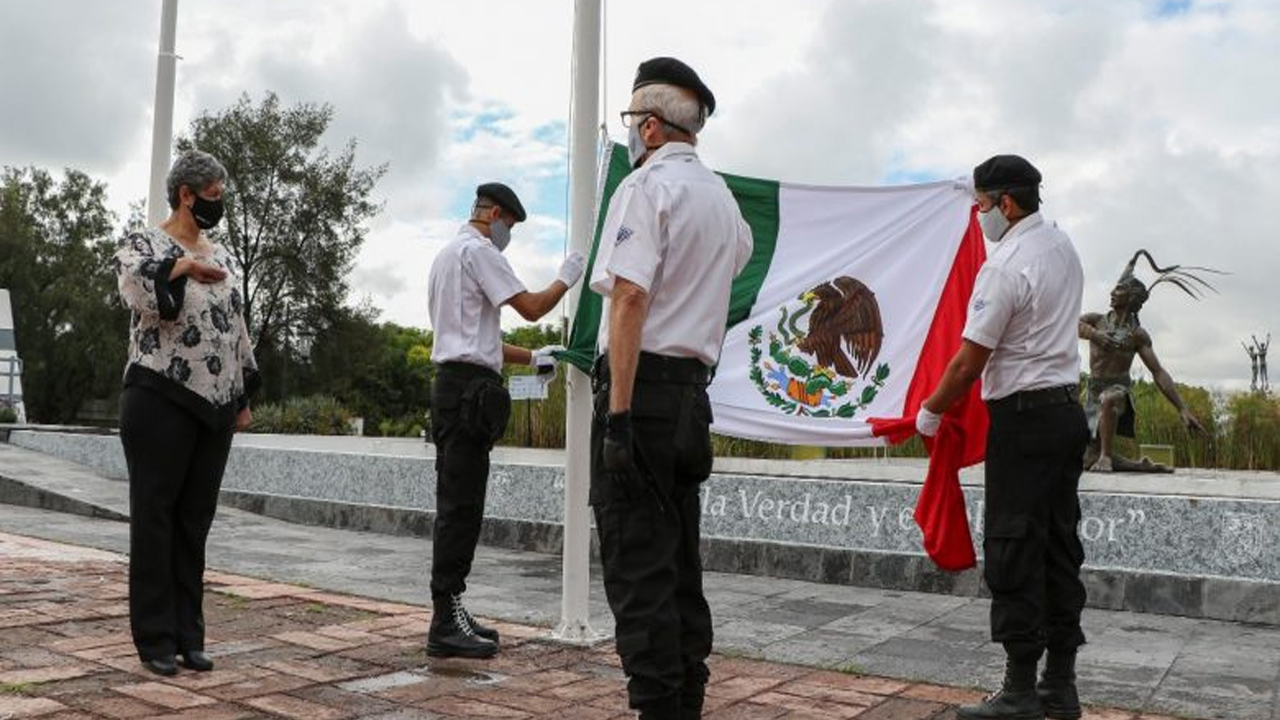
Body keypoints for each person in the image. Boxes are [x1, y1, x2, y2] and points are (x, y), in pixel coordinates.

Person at [589, 57, 753, 720]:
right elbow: (732, 267)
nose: (633, 136)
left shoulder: (647, 187)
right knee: (680, 569)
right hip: (691, 398)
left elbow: (629, 295)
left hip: (644, 394)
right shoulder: (721, 199)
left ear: (652, 127)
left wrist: (619, 417)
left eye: (634, 123)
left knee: (639, 571)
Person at [915, 155, 1088, 720]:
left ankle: (1017, 690)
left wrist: (931, 411)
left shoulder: (1006, 265)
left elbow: (968, 363)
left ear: (1006, 204)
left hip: (1024, 422)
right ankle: (1059, 686)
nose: (981, 216)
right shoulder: (1062, 248)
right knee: (1060, 547)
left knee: (1014, 545)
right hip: (1066, 416)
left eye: (983, 206)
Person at [112, 149, 259, 676]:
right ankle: (155, 638)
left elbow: (235, 327)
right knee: (155, 515)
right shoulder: (143, 242)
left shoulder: (222, 253)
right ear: (187, 195)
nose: (220, 205)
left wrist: (241, 397)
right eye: (214, 197)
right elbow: (137, 289)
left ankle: (188, 635)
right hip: (159, 396)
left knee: (194, 521)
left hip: (215, 405)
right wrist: (182, 266)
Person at [426, 182, 585, 659]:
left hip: (453, 388)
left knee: (458, 502)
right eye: (509, 225)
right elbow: (533, 308)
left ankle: (452, 605)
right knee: (461, 507)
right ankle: (444, 620)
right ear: (494, 213)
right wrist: (567, 278)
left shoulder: (445, 256)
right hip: (470, 393)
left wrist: (532, 357)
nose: (507, 233)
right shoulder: (479, 251)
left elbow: (477, 340)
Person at [1079, 263, 1207, 473]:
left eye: (1119, 289)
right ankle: (1139, 465)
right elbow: (1071, 324)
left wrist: (1182, 408)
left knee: (1109, 398)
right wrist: (1096, 336)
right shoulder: (1097, 321)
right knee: (1086, 458)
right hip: (1093, 391)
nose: (1112, 292)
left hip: (1118, 391)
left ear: (1131, 298)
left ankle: (1106, 457)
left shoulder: (1137, 335)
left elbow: (1158, 372)